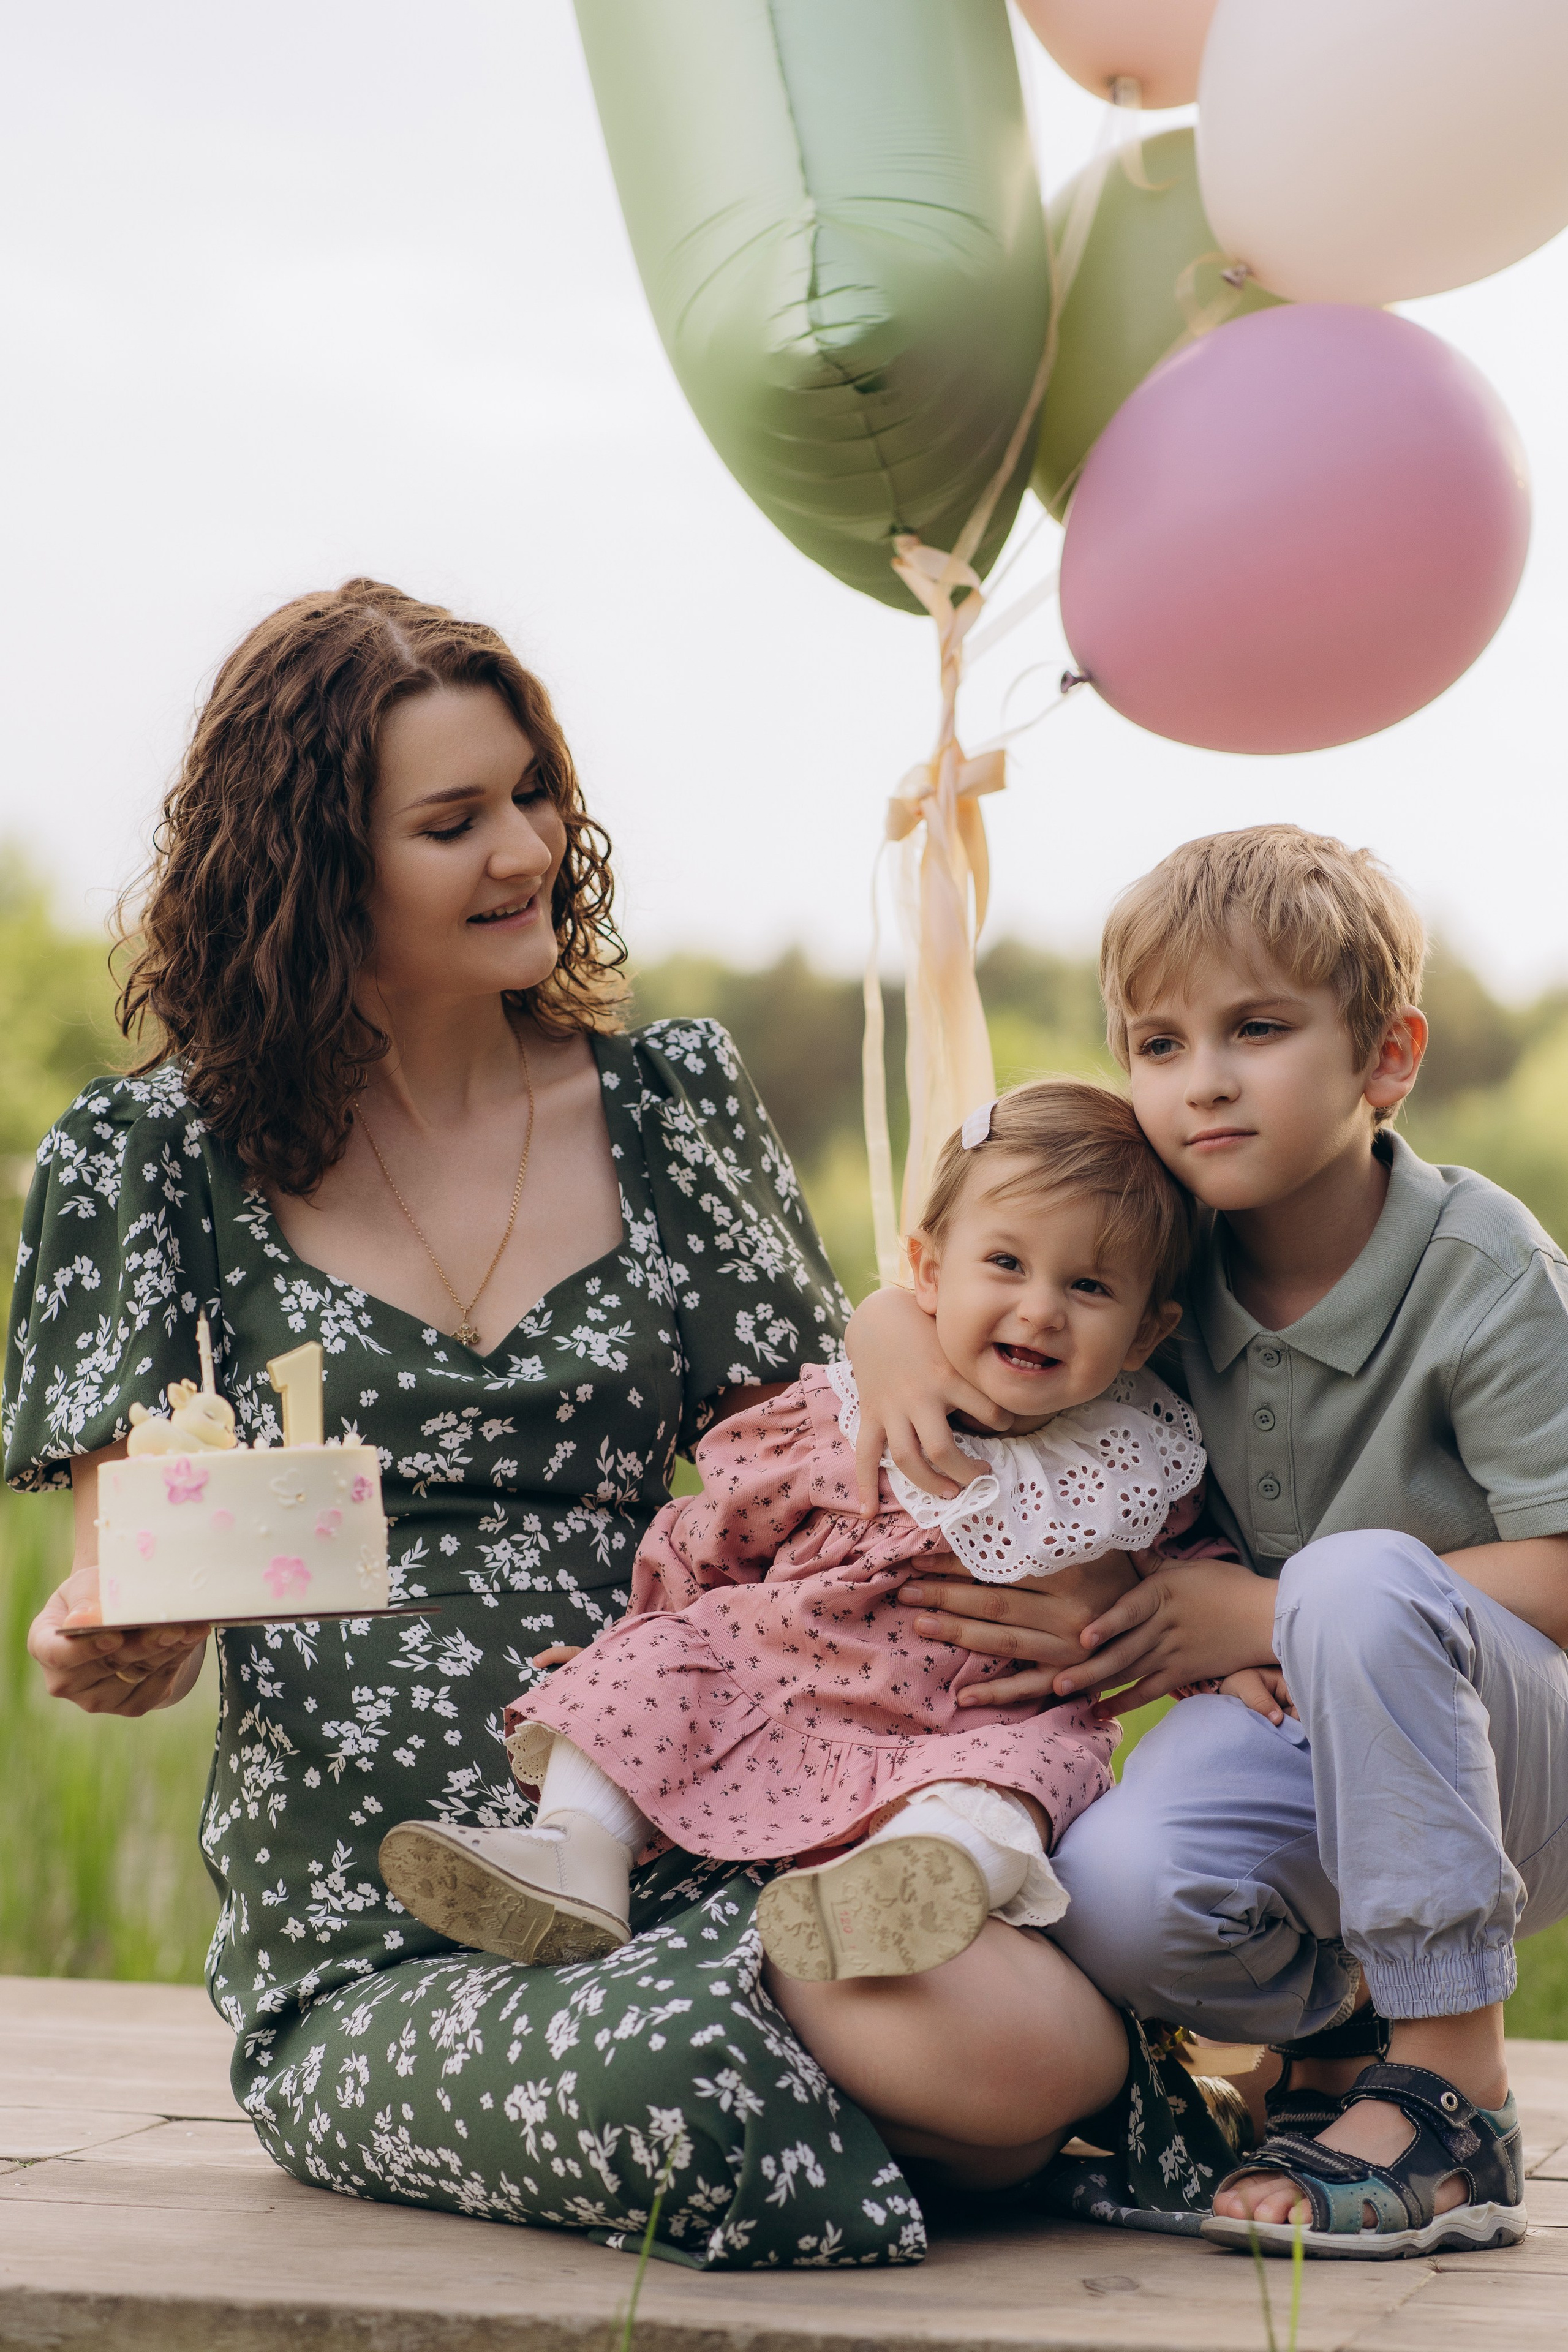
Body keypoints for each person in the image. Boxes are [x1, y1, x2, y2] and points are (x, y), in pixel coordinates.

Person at [11, 579, 1177, 2267]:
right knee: (719, 2067)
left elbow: (814, 1444)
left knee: (1034, 2047)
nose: (526, 849)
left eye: (533, 793)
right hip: (385, 1920)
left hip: (732, 1813)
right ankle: (863, 2106)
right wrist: (111, 1638)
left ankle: (871, 2069)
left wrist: (890, 1333)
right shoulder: (147, 1166)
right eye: (453, 820)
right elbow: (137, 1588)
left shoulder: (667, 1101)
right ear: (316, 863)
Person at [846, 824, 1568, 2259]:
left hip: (1516, 1763)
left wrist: (1259, 1613)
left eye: (1255, 1030)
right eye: (1157, 1043)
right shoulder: (1157, 1268)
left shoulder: (1482, 1272)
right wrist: (884, 1338)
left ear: (1385, 1059)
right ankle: (1340, 2042)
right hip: (1309, 1748)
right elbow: (958, 1275)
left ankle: (1452, 2086)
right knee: (1113, 1900)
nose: (1203, 1080)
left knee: (1352, 1580)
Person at [377, 1079, 1221, 1986]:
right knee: (653, 1669)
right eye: (1006, 1264)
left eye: (1090, 1286)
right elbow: (718, 1535)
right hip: (779, 1680)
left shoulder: (1136, 1465)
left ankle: (900, 1893)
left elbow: (1189, 1592)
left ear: (1147, 1332)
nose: (1042, 1308)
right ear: (930, 1271)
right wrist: (636, 1636)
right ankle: (577, 1854)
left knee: (1013, 1782)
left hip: (967, 1728)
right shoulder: (845, 1410)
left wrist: (1235, 1660)